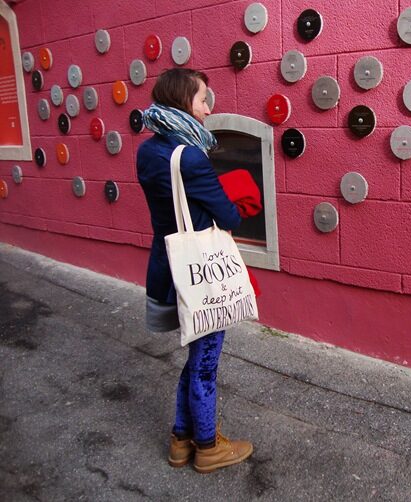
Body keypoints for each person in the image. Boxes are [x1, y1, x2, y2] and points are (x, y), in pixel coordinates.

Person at [136, 68, 253, 473]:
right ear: (185, 101)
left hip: (168, 265)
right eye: (203, 99)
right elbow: (228, 215)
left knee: (195, 357)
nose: (207, 109)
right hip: (200, 272)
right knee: (205, 361)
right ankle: (207, 446)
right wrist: (238, 201)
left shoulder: (148, 149)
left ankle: (180, 440)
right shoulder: (190, 156)